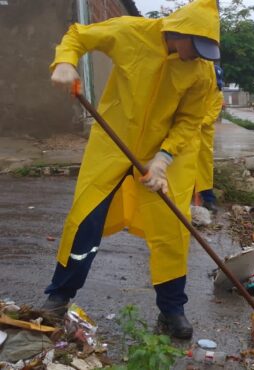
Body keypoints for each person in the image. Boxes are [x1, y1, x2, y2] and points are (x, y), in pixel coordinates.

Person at [44, 0, 220, 339]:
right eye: (194, 47)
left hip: (167, 153)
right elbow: (79, 35)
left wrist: (163, 159)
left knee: (172, 228)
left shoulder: (200, 70)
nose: (196, 56)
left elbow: (189, 120)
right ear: (177, 31)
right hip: (114, 142)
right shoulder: (130, 32)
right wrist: (65, 61)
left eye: (204, 52)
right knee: (86, 218)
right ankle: (58, 296)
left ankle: (172, 310)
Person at [195, 64, 225, 212]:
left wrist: (194, 124)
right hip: (184, 134)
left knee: (204, 167)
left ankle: (208, 199)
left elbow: (211, 115)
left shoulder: (218, 95)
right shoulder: (195, 87)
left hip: (203, 136)